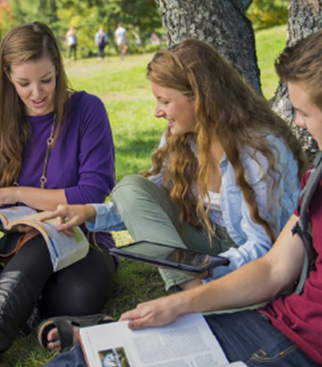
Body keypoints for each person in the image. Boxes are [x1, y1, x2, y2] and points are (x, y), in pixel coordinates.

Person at [13, 19, 322, 367]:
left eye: (304, 111)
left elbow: (263, 251)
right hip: (272, 329)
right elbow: (273, 268)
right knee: (97, 363)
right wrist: (180, 303)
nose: (299, 122)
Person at [45, 39, 304, 301]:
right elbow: (149, 202)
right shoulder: (183, 137)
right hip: (205, 242)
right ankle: (194, 292)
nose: (158, 112)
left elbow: (265, 248)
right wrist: (92, 212)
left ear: (200, 98)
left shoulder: (259, 149)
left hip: (252, 260)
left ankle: (197, 295)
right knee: (129, 188)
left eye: (164, 101)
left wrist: (205, 268)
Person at [0, 22, 117, 367]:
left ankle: (25, 316)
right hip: (27, 246)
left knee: (77, 300)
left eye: (46, 79)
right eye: (24, 83)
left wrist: (17, 192)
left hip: (85, 239)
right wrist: (6, 211)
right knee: (41, 240)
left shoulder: (86, 109)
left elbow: (91, 193)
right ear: (8, 77)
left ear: (57, 67)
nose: (38, 93)